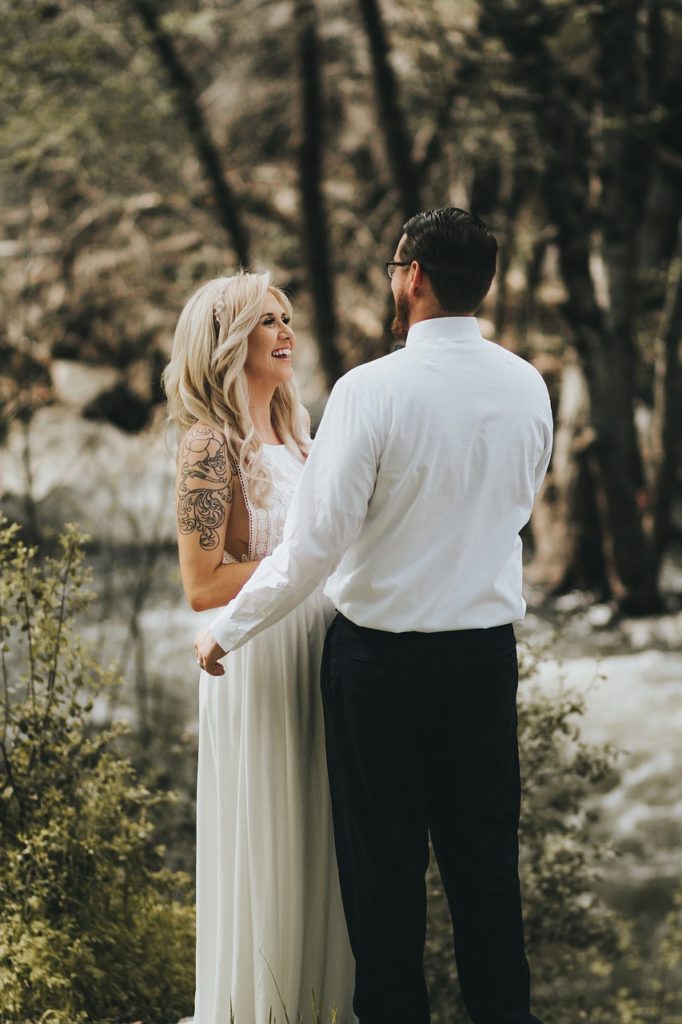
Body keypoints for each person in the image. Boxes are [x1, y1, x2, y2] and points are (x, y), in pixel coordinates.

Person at [197, 208, 553, 1024]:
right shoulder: (527, 383)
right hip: (483, 662)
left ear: (413, 276)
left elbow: (314, 548)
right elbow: (513, 510)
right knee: (487, 872)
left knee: (383, 878)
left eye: (397, 267)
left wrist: (228, 627)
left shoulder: (369, 390)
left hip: (379, 669)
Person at [163, 271, 355, 1024]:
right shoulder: (210, 446)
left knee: (323, 835)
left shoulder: (302, 433)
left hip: (322, 649)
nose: (285, 332)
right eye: (265, 321)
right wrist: (313, 564)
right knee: (270, 836)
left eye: (286, 317)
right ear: (227, 342)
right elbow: (204, 587)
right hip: (258, 653)